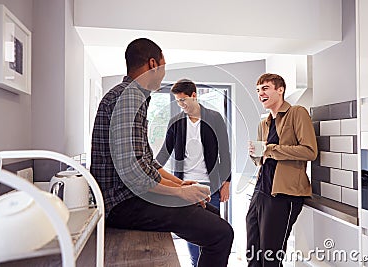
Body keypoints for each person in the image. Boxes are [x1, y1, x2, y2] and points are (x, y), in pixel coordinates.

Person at [90, 38, 233, 267]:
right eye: (164, 66)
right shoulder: (129, 98)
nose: (164, 73)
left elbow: (147, 162)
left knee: (211, 214)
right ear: (153, 63)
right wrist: (178, 194)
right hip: (121, 204)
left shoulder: (132, 96)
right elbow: (133, 174)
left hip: (129, 198)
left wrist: (180, 185)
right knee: (222, 233)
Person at [156, 79, 231, 267]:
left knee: (213, 236)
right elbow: (165, 152)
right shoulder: (176, 122)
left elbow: (225, 151)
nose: (180, 105)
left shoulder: (214, 118)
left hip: (210, 187)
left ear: (194, 96)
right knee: (192, 238)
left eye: (183, 100)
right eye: (177, 101)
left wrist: (227, 182)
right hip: (185, 188)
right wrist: (149, 168)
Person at [246, 73, 317, 267]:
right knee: (253, 251)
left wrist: (270, 149)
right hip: (261, 190)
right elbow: (262, 160)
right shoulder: (264, 123)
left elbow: (310, 151)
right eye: (258, 90)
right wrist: (255, 154)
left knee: (271, 254)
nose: (261, 93)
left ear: (280, 90)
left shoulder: (297, 113)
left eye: (265, 88)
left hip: (284, 194)